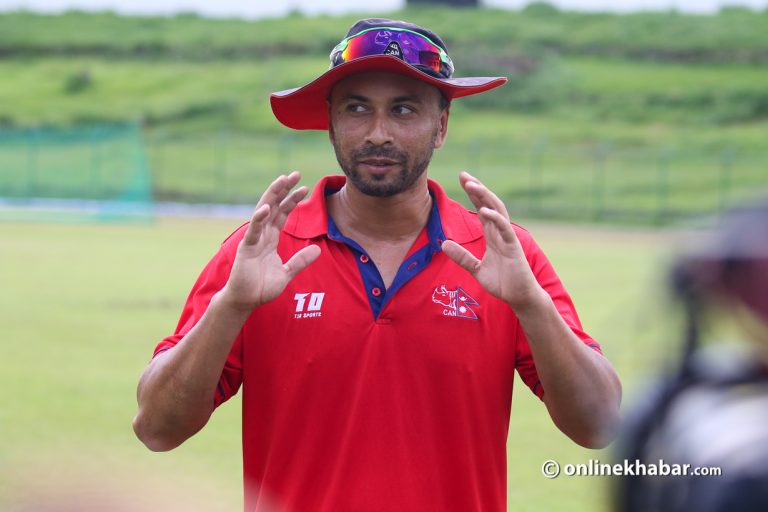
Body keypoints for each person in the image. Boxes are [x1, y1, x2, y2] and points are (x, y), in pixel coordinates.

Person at [133, 18, 622, 512]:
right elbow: (156, 429)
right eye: (356, 108)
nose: (378, 133)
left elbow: (598, 425)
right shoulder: (262, 250)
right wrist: (231, 307)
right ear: (331, 123)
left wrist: (532, 305)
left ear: (441, 125)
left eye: (403, 109)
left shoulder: (502, 252)